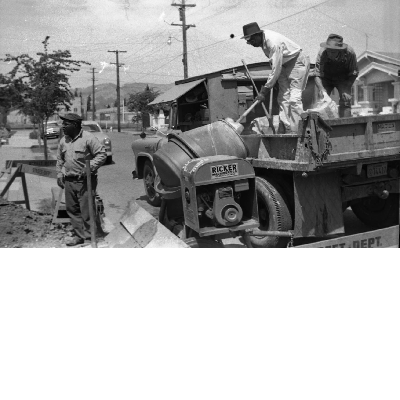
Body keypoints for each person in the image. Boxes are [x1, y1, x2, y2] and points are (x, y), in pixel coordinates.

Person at [242, 22, 310, 134]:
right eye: (248, 41)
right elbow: (276, 66)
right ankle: (287, 129)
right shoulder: (262, 42)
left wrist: (264, 90)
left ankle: (301, 130)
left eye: (251, 40)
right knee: (283, 98)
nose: (250, 43)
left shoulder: (272, 42)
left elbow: (276, 69)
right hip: (284, 65)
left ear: (258, 35)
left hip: (296, 62)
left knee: (294, 99)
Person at [56, 113, 107, 246]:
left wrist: (90, 167)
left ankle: (91, 237)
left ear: (75, 125)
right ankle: (80, 236)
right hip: (69, 181)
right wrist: (60, 174)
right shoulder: (63, 140)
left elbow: (101, 154)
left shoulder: (88, 138)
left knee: (87, 210)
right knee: (72, 210)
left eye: (66, 124)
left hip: (85, 181)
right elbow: (60, 160)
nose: (63, 127)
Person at [314, 34, 358, 118]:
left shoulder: (349, 53)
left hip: (343, 78)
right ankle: (321, 127)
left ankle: (346, 127)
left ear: (340, 50)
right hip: (326, 77)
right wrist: (322, 90)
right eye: (328, 51)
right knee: (321, 100)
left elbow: (354, 72)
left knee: (346, 101)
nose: (329, 54)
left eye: (333, 52)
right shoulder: (322, 52)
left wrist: (347, 88)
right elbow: (317, 74)